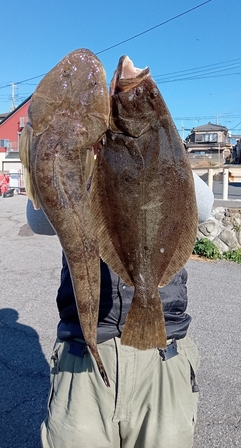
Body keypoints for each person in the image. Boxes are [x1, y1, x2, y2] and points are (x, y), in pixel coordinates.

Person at [27, 171, 214, 448]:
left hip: (162, 348)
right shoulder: (80, 159)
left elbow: (203, 206)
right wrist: (75, 163)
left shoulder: (163, 146)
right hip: (86, 349)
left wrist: (159, 149)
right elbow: (39, 221)